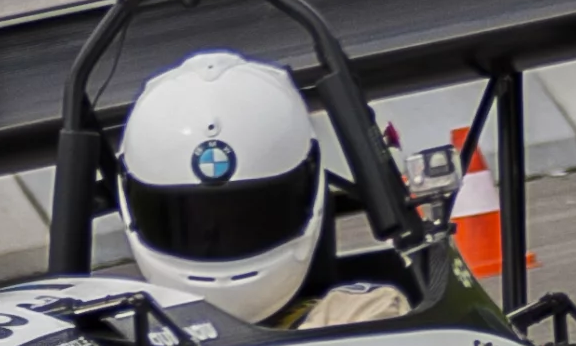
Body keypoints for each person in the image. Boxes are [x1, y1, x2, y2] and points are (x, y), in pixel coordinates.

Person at [116, 50, 411, 329]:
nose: (223, 234)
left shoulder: (360, 315)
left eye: (245, 217)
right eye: (200, 223)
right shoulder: (132, 345)